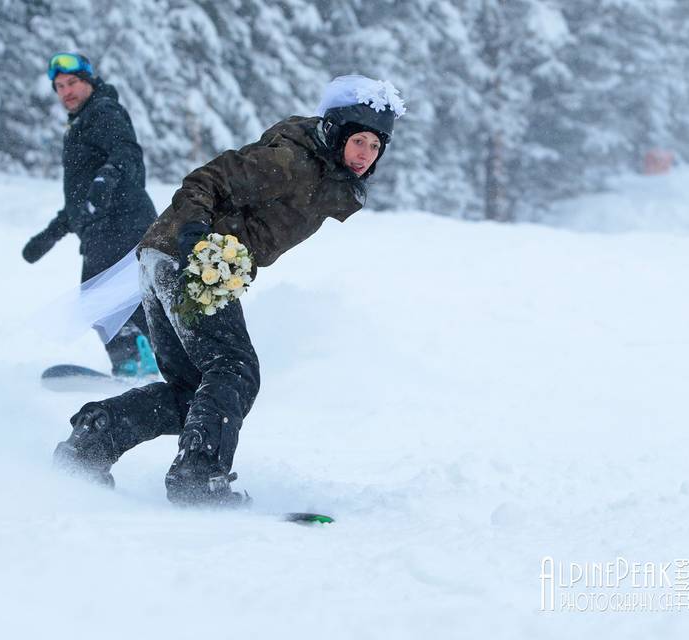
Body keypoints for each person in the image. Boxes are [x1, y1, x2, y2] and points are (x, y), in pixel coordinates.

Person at [53, 75, 405, 505]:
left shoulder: (320, 170)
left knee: (195, 392)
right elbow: (207, 179)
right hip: (192, 258)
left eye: (375, 146)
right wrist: (195, 235)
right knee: (234, 370)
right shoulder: (291, 161)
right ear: (337, 132)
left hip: (161, 261)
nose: (364, 155)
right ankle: (198, 477)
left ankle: (94, 439)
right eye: (359, 141)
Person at [22, 53, 159, 377]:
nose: (65, 91)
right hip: (105, 225)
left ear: (88, 81)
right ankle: (141, 361)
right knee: (110, 296)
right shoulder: (82, 123)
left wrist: (106, 179)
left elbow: (126, 152)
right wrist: (52, 233)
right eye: (59, 86)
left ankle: (142, 362)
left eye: (72, 83)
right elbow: (82, 200)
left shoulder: (103, 111)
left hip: (122, 220)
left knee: (108, 296)